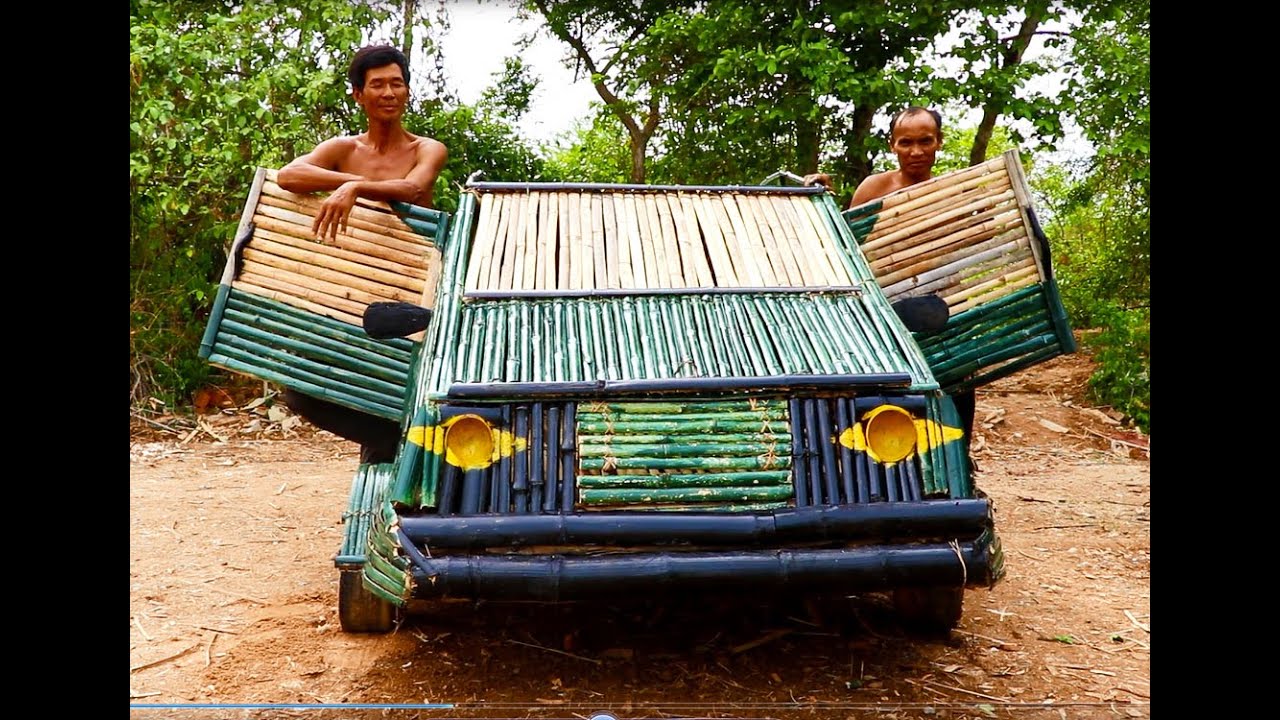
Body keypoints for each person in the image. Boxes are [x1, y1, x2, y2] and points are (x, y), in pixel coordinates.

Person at [275, 44, 449, 464]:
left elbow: (412, 188)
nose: (389, 92)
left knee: (400, 383)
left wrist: (353, 187)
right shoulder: (344, 149)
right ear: (358, 94)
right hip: (352, 288)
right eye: (378, 85)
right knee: (300, 389)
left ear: (407, 91)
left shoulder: (426, 148)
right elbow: (289, 175)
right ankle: (391, 442)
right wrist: (346, 180)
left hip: (412, 290)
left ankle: (392, 466)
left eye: (397, 83)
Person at [805, 107, 978, 463]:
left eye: (925, 141)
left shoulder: (949, 191)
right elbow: (845, 243)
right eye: (906, 143)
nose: (916, 151)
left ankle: (959, 467)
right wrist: (819, 199)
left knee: (957, 383)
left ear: (939, 142)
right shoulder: (875, 188)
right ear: (892, 145)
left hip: (940, 307)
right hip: (887, 310)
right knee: (888, 393)